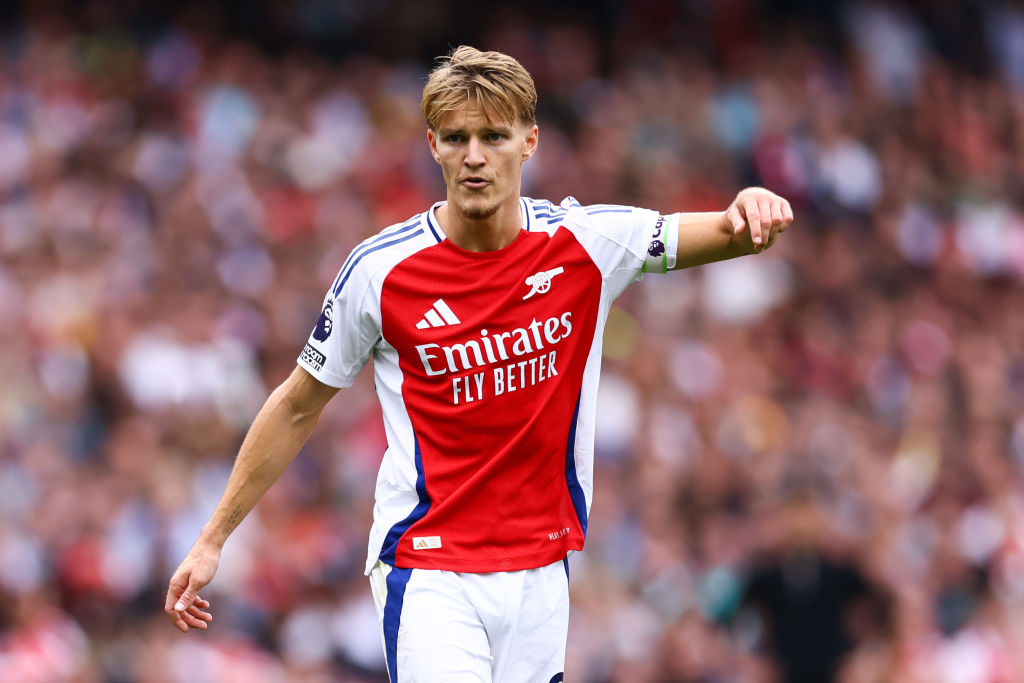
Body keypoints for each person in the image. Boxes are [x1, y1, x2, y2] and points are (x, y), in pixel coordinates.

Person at [165, 45, 794, 682]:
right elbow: (298, 403)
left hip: (541, 571)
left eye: (495, 136)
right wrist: (214, 535)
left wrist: (752, 202)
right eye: (458, 138)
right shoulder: (380, 271)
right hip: (429, 564)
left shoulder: (586, 243)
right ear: (433, 144)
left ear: (530, 141)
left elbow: (733, 231)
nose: (474, 156)